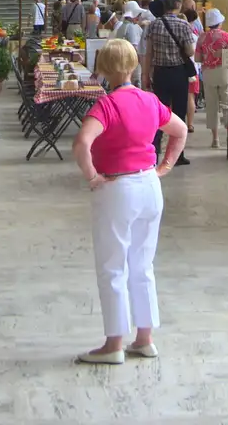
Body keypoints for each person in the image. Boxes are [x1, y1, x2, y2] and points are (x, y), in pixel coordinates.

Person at [71, 38, 188, 364]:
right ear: (135, 65)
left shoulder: (106, 106)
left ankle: (113, 344)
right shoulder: (150, 101)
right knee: (142, 264)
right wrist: (165, 165)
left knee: (112, 267)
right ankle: (145, 338)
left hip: (117, 188)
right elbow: (179, 131)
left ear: (103, 69)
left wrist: (91, 175)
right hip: (149, 185)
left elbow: (82, 142)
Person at [142, 0, 197, 164]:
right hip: (179, 72)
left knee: (159, 113)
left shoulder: (153, 25)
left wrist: (145, 75)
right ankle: (177, 155)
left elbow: (148, 53)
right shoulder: (183, 25)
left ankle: (154, 153)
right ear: (178, 5)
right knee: (179, 114)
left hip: (160, 73)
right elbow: (190, 51)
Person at [195, 7, 228, 150]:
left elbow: (197, 58)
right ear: (220, 22)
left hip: (208, 73)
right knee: (227, 103)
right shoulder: (227, 36)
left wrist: (209, 57)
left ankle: (215, 139)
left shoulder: (202, 37)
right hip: (224, 71)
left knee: (212, 106)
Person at [111, 3, 145, 86]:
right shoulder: (131, 27)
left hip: (123, 63)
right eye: (138, 14)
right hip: (133, 63)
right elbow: (135, 47)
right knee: (136, 84)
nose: (139, 16)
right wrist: (143, 65)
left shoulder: (122, 26)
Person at [182, 2, 203, 130]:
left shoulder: (180, 35)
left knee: (177, 97)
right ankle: (190, 124)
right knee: (190, 96)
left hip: (179, 68)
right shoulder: (195, 36)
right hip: (192, 69)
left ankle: (179, 123)